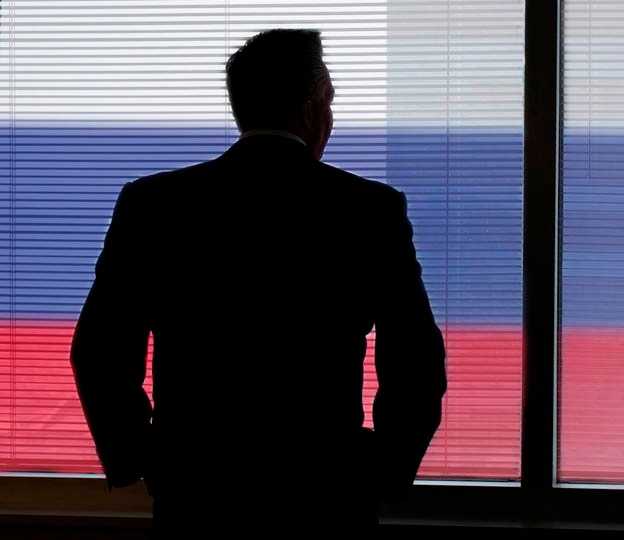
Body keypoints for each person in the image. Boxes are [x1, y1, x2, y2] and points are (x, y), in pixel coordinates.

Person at [70, 28, 447, 535]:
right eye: (330, 102)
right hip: (325, 493)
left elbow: (99, 350)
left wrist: (140, 457)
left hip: (196, 493)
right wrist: (384, 470)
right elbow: (416, 360)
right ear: (312, 108)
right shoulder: (369, 211)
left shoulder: (154, 205)